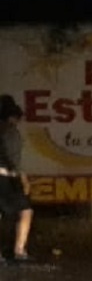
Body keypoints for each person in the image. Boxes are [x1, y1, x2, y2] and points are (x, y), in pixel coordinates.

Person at [0, 95, 33, 263]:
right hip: (6, 177)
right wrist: (23, 178)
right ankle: (19, 250)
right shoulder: (10, 131)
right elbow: (13, 157)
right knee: (25, 211)